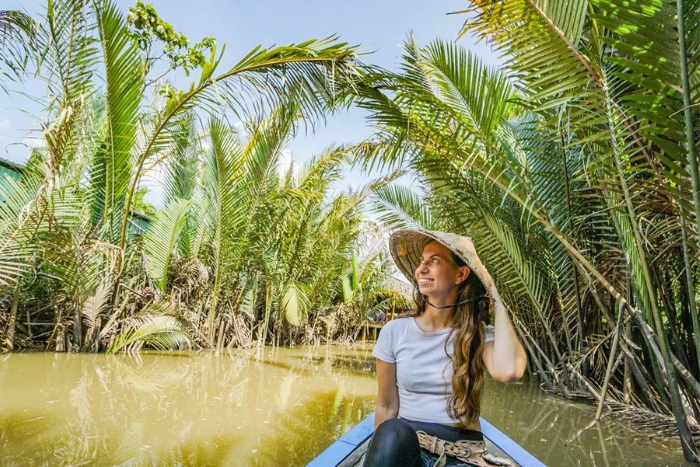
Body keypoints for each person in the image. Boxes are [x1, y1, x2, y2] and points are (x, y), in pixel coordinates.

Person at [363, 229, 527, 467]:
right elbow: (386, 406)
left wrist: (497, 299)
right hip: (409, 444)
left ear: (461, 274)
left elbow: (509, 371)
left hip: (462, 451)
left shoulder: (478, 335)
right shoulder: (394, 331)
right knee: (391, 431)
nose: (422, 268)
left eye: (435, 261)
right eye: (422, 262)